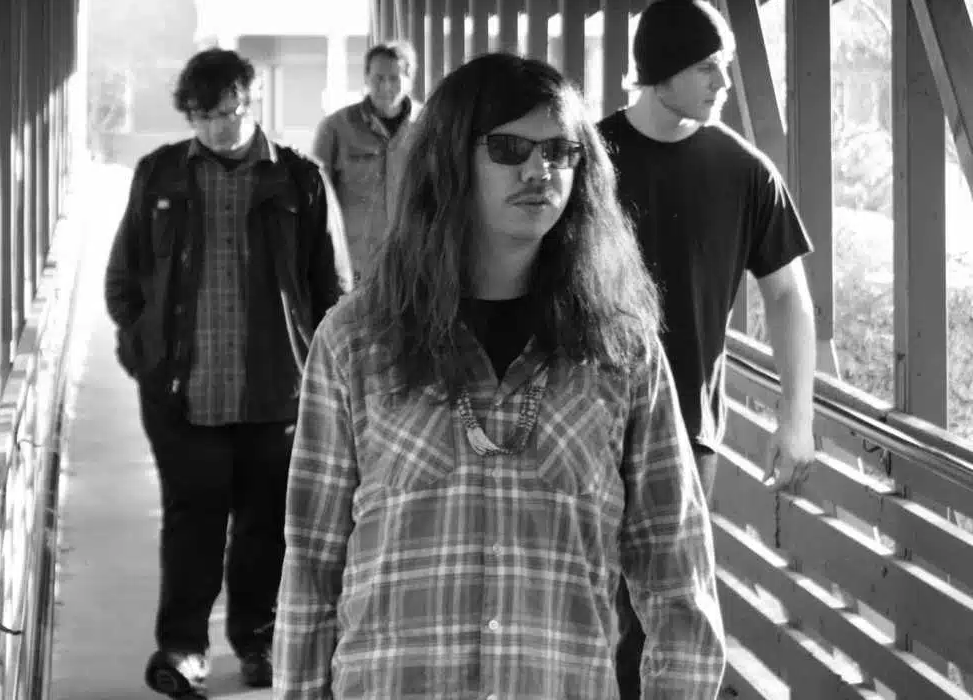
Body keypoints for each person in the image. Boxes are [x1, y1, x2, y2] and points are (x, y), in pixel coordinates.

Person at [273, 52, 726, 700]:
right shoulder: (356, 342)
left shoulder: (620, 352)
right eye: (509, 148)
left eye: (560, 151)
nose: (539, 171)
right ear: (451, 161)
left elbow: (678, 576)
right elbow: (312, 568)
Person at [104, 47, 352, 698]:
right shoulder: (160, 174)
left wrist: (324, 371)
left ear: (252, 102)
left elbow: (331, 287)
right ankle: (184, 648)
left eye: (229, 112)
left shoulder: (298, 179)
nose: (218, 126)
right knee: (192, 521)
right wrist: (143, 350)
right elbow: (125, 276)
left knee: (266, 526)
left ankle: (258, 642)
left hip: (276, 391)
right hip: (183, 394)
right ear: (190, 116)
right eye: (204, 115)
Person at [597, 0, 817, 699]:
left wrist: (796, 417)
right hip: (581, 418)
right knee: (583, 606)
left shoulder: (744, 170)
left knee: (665, 615)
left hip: (688, 430)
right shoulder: (588, 159)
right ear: (659, 70)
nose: (723, 81)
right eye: (706, 67)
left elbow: (788, 296)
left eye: (724, 64)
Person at [312, 40, 419, 281]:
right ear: (366, 77)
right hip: (355, 268)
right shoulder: (336, 128)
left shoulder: (428, 128)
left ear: (409, 79)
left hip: (413, 265)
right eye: (378, 78)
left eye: (394, 78)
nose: (386, 86)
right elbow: (317, 200)